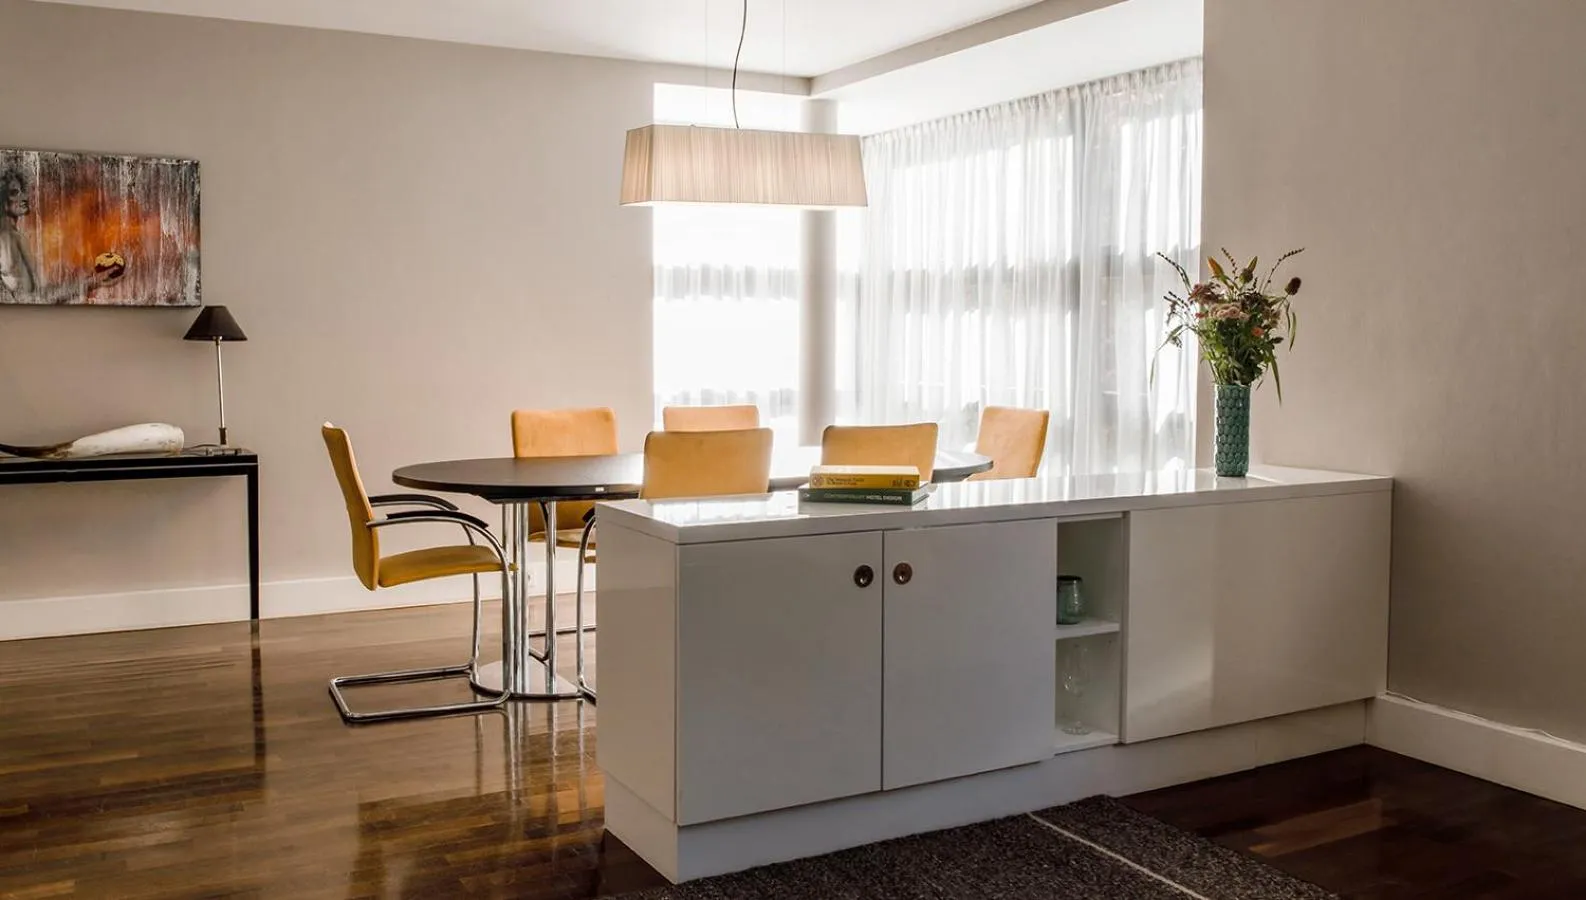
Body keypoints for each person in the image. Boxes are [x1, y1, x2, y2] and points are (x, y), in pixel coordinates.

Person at [0, 166, 123, 304]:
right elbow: (31, 298)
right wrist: (90, 283)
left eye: (22, 191)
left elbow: (38, 294)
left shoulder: (15, 236)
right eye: (14, 193)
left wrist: (92, 281)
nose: (24, 197)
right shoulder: (6, 238)